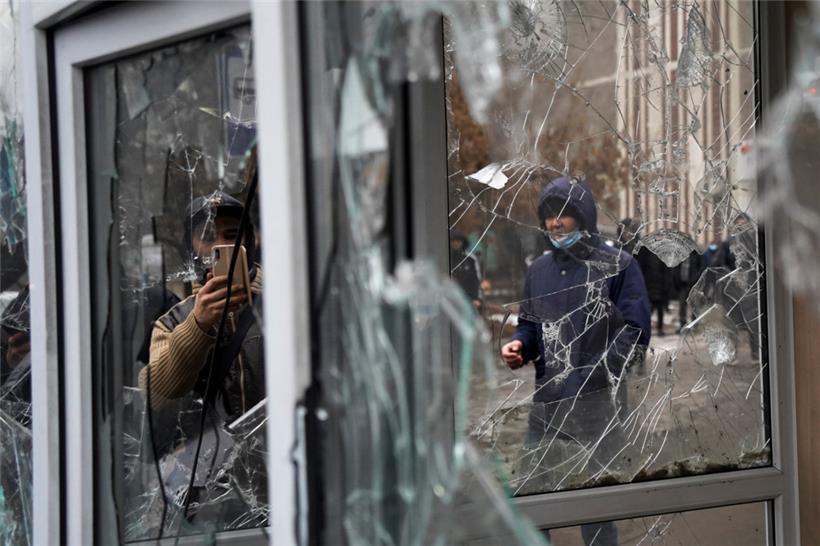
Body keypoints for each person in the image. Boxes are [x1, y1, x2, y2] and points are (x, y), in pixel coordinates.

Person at [500, 177, 651, 546]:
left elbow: (635, 331)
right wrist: (520, 345)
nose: (555, 223)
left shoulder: (619, 265)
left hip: (598, 409)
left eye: (563, 215)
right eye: (548, 216)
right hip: (547, 407)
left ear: (582, 216)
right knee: (533, 498)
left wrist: (594, 376)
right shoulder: (539, 270)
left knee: (594, 510)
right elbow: (531, 326)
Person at [449, 231, 482, 311]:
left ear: (463, 242)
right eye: (453, 241)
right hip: (450, 300)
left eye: (458, 241)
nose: (455, 243)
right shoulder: (446, 258)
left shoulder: (470, 259)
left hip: (468, 300)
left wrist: (476, 298)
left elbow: (476, 279)